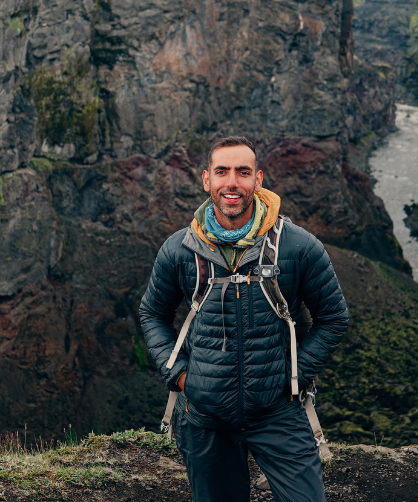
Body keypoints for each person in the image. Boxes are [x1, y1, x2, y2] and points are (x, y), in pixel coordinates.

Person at [139, 136, 349, 502]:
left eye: (243, 172)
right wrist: (181, 375)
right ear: (207, 180)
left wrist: (292, 374)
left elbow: (333, 317)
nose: (231, 183)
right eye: (222, 172)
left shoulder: (298, 247)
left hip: (277, 411)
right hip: (204, 417)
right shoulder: (179, 250)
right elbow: (152, 313)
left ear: (259, 179)